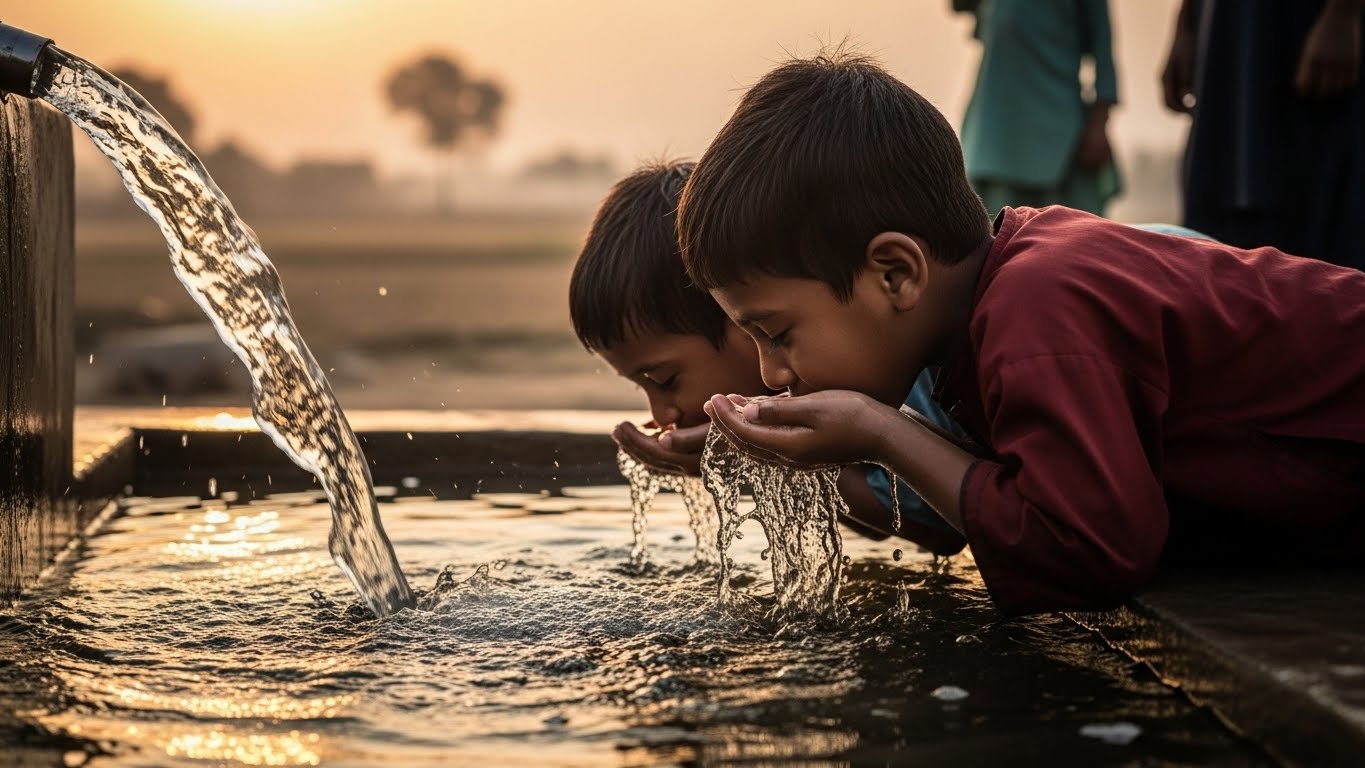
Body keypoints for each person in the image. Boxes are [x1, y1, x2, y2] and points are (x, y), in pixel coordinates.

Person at [675, 51, 1365, 616]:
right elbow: (957, 518)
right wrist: (808, 454)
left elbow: (1088, 555)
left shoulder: (1040, 307)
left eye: (776, 333)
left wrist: (882, 432)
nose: (771, 373)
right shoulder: (980, 319)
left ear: (895, 273)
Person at [568, 161, 965, 554]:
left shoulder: (884, 362)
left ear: (742, 319)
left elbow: (932, 523)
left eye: (665, 380)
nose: (662, 413)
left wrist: (757, 452)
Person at [1162, 0, 1365, 268]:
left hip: (1305, 24)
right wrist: (1185, 23)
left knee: (1324, 207)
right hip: (1223, 26)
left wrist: (1344, 12)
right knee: (1223, 185)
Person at [956, 0, 1121, 216]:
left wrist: (1099, 124)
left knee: (1063, 231)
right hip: (994, 128)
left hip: (1057, 131)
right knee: (991, 230)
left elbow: (1103, 50)